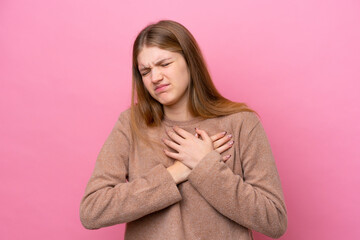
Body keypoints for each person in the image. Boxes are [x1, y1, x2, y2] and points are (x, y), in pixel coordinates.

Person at [79, 19, 287, 240]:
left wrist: (205, 167)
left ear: (189, 61)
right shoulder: (131, 125)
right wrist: (175, 173)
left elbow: (274, 220)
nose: (155, 77)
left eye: (164, 64)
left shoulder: (241, 123)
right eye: (145, 71)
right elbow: (93, 210)